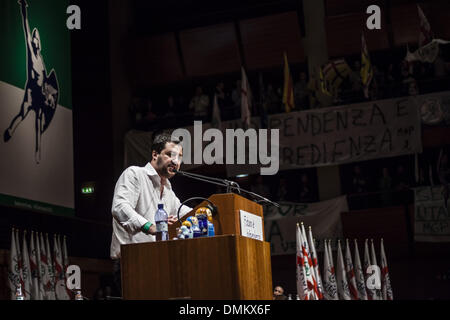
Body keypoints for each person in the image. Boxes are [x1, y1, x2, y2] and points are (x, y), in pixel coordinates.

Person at [110, 133, 192, 296]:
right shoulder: (135, 174)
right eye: (170, 155)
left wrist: (211, 210)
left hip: (158, 262)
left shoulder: (168, 190)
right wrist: (150, 226)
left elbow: (186, 212)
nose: (176, 162)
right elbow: (119, 207)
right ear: (155, 154)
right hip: (131, 263)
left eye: (179, 157)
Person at [3, 0, 59, 164]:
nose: (34, 40)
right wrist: (23, 9)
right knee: (22, 113)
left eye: (36, 39)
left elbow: (45, 80)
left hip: (40, 95)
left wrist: (48, 95)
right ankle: (10, 130)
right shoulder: (31, 54)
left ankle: (38, 151)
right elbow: (26, 28)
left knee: (38, 123)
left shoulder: (41, 58)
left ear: (39, 42)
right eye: (33, 39)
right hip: (30, 91)